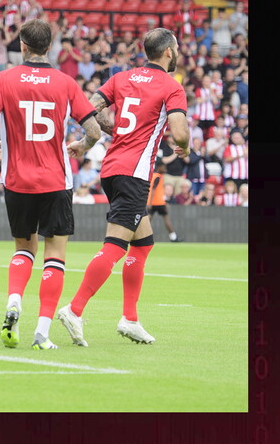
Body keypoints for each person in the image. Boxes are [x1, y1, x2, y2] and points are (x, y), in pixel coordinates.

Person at [56, 27, 189, 347]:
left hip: (113, 169)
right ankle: (74, 309)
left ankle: (130, 318)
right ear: (169, 52)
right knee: (115, 246)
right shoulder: (172, 87)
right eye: (178, 49)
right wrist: (184, 144)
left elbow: (87, 108)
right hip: (134, 174)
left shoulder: (122, 78)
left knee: (142, 244)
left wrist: (107, 133)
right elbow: (179, 132)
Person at [0, 18, 100, 350]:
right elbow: (95, 132)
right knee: (54, 255)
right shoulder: (66, 82)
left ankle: (14, 299)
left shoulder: (4, 78)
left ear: (23, 46)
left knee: (23, 249)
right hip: (56, 179)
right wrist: (82, 148)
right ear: (50, 47)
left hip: (17, 180)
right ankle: (42, 333)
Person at [147, 161, 184, 242]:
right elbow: (153, 190)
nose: (165, 168)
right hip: (158, 202)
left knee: (147, 221)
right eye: (163, 167)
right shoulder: (158, 176)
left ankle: (142, 237)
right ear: (159, 167)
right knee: (166, 219)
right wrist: (150, 203)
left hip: (153, 202)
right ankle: (173, 238)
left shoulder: (153, 176)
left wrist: (149, 202)